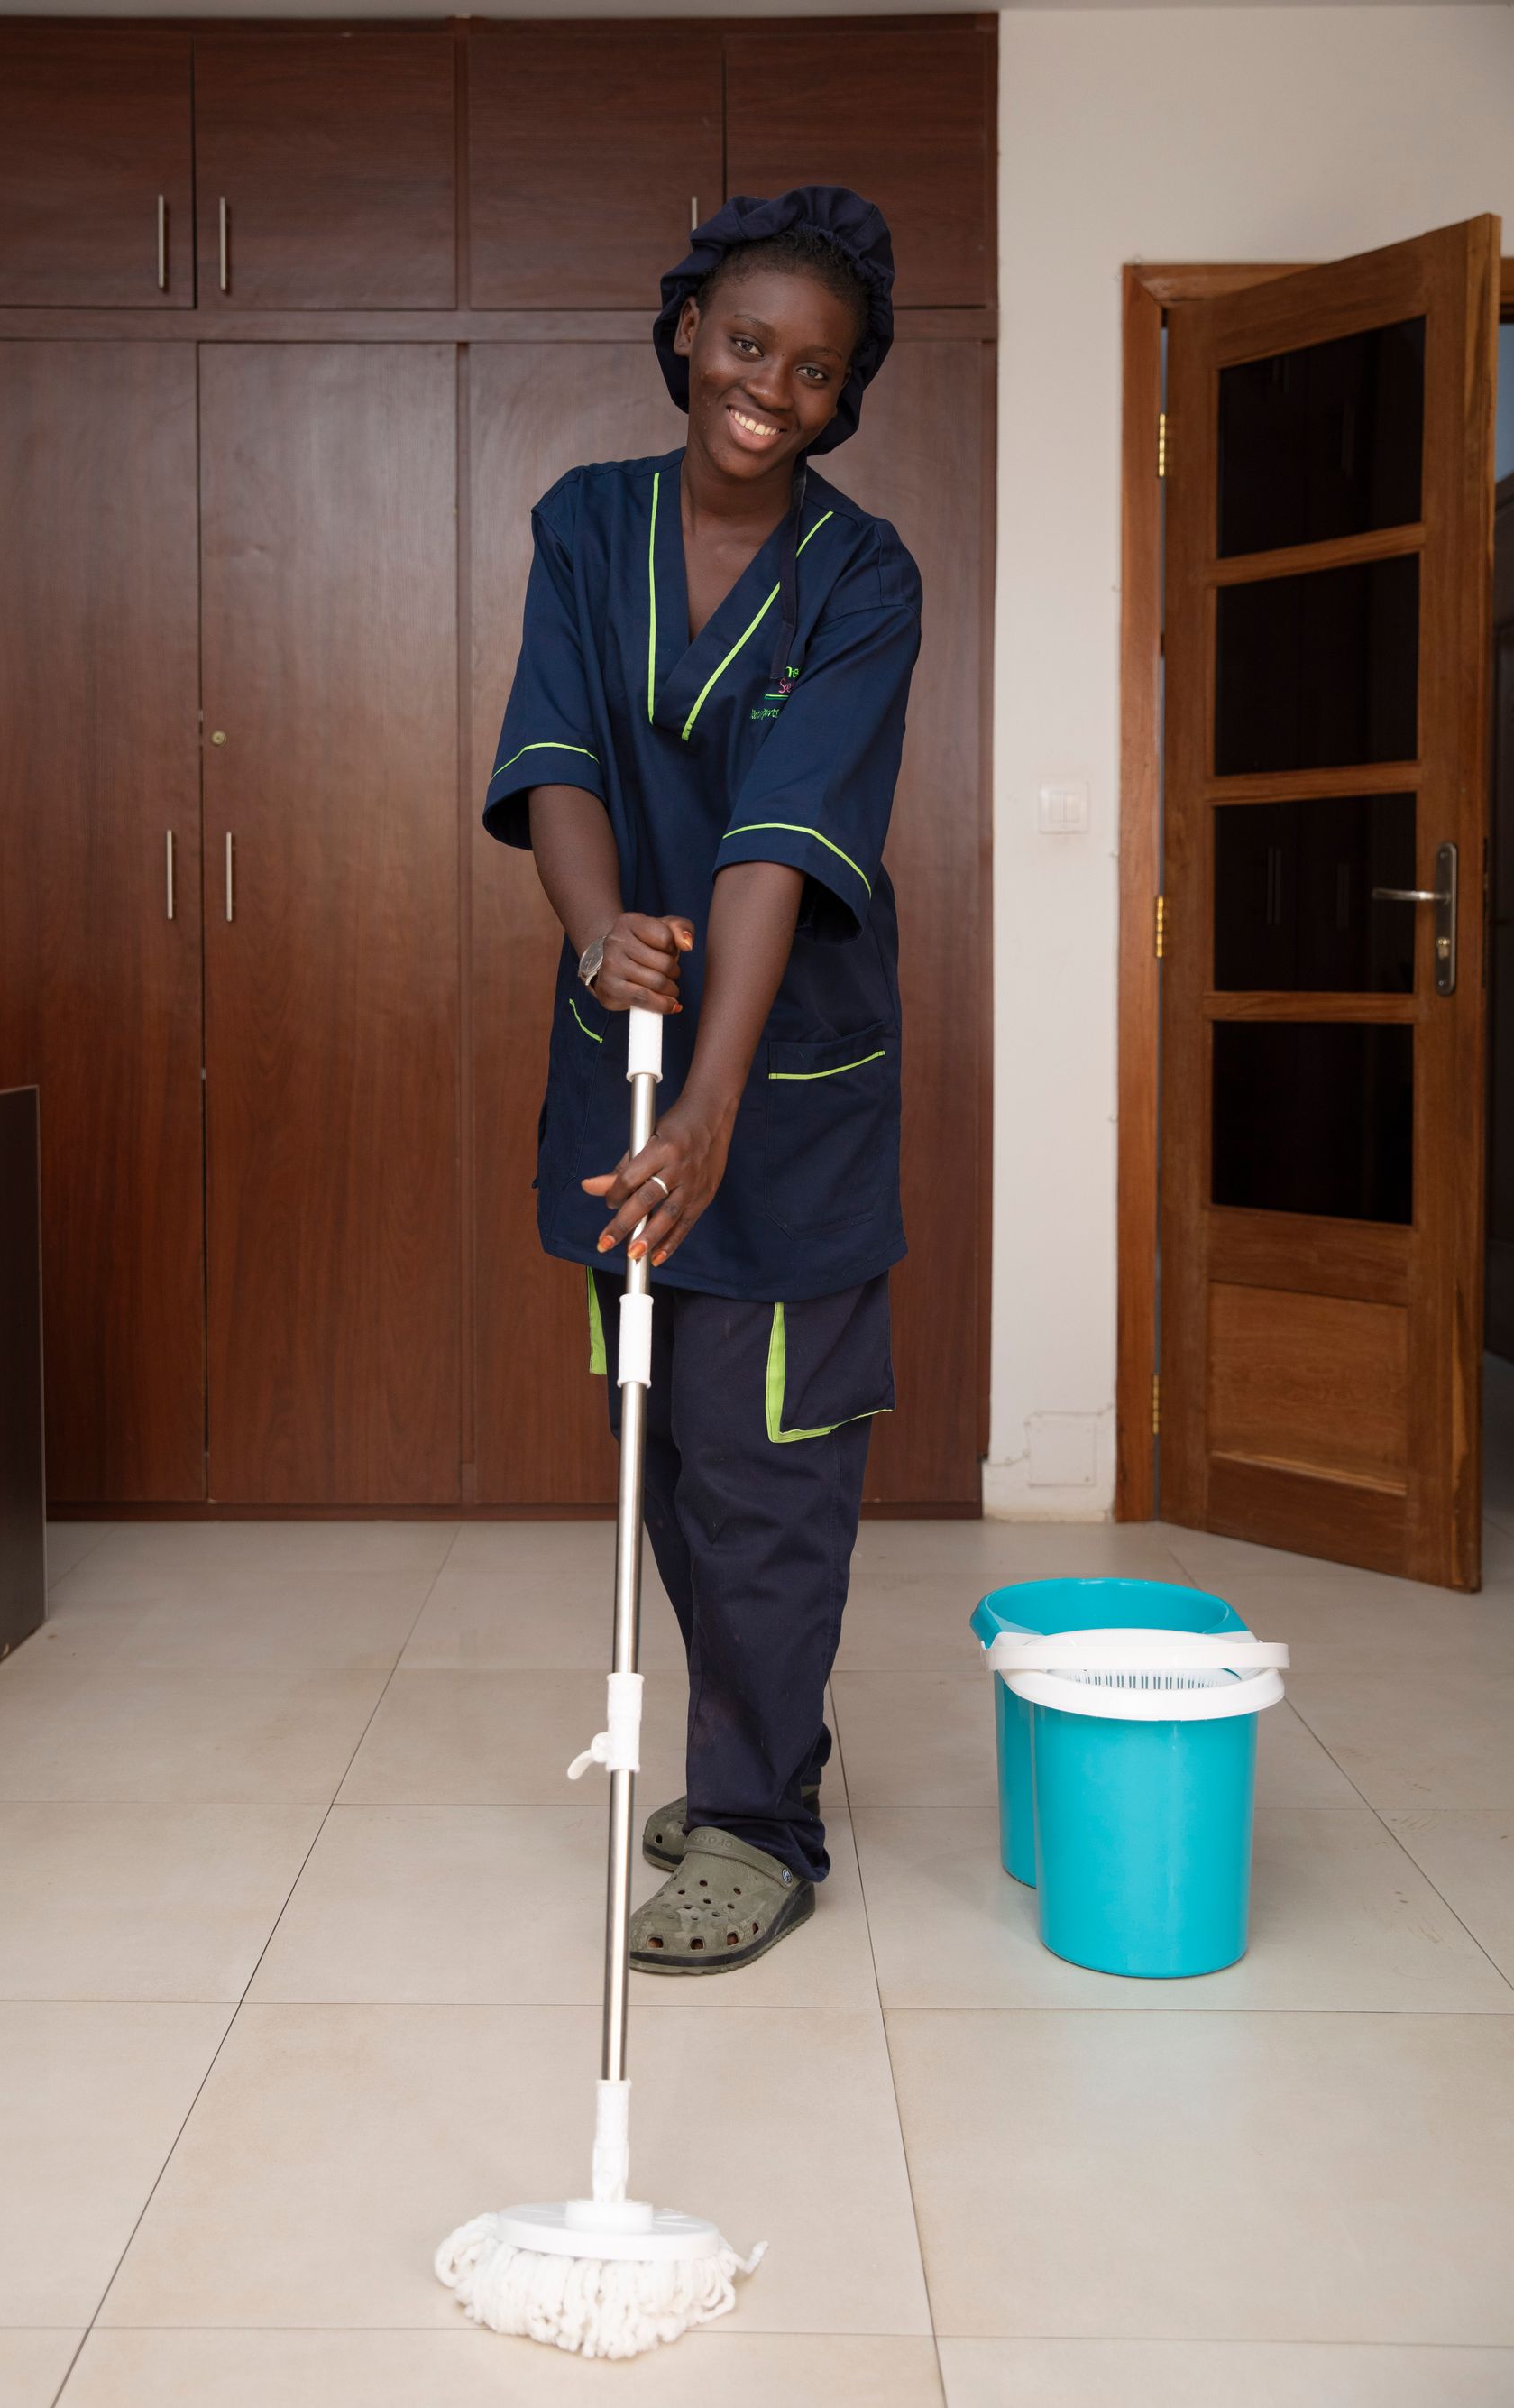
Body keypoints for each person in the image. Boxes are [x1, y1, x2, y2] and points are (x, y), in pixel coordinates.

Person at [484, 187, 921, 1973]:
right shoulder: (588, 525)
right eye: (748, 343)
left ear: (840, 398)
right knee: (661, 1452)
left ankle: (759, 1823)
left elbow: (775, 841)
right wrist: (596, 939)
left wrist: (718, 1103)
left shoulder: (864, 577)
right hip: (624, 1066)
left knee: (771, 1469)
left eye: (815, 371)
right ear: (687, 334)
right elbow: (561, 750)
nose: (772, 387)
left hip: (785, 1098)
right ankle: (765, 1751)